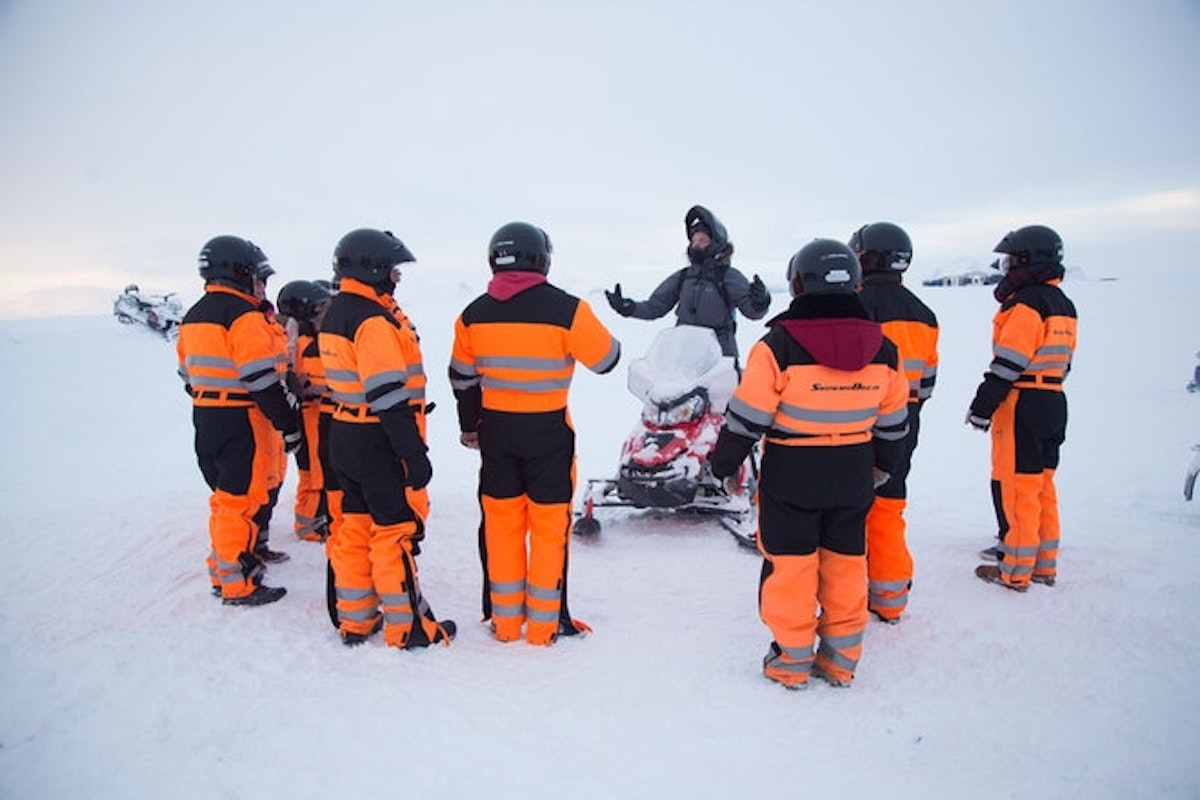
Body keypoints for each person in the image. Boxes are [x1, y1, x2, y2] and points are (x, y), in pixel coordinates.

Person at [707, 239, 909, 689]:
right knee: (846, 564)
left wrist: (721, 467)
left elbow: (745, 420)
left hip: (794, 472)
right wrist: (882, 468)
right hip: (855, 469)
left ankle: (791, 661)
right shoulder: (885, 349)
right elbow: (895, 425)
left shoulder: (778, 346)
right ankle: (840, 660)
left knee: (792, 567)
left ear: (798, 283)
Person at [450, 221, 620, 646]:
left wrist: (470, 427)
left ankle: (505, 625)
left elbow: (462, 380)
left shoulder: (472, 314)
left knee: (501, 526)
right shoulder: (567, 310)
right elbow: (607, 360)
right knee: (548, 529)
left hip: (496, 435)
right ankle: (543, 630)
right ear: (542, 260)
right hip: (548, 436)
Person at [319, 228, 454, 648]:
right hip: (377, 437)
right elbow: (388, 395)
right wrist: (413, 454)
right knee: (394, 530)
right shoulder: (372, 321)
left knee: (355, 529)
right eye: (393, 270)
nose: (397, 278)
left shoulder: (338, 311)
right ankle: (408, 628)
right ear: (372, 268)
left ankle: (356, 620)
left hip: (344, 431)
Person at [176, 235, 304, 607]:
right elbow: (261, 379)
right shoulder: (244, 316)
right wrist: (287, 422)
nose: (263, 287)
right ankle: (236, 582)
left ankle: (232, 565)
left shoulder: (193, 316)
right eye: (260, 278)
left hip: (207, 414)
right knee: (241, 500)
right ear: (240, 275)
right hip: (242, 418)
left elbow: (186, 374)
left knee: (226, 496)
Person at [968, 225, 1077, 591]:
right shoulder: (1063, 304)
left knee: (1018, 487)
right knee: (1043, 485)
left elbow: (1008, 362)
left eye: (1011, 261)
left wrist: (983, 406)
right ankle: (1044, 565)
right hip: (1054, 399)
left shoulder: (1026, 304)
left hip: (1024, 401)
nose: (1006, 267)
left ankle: (1014, 570)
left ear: (1029, 261)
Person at [849, 222, 939, 624]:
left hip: (862, 420)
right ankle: (890, 598)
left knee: (851, 509)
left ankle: (847, 598)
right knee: (890, 506)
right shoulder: (925, 313)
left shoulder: (857, 306)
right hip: (907, 420)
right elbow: (929, 381)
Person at [605, 205, 771, 365]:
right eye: (694, 240)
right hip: (684, 359)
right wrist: (628, 307)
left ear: (716, 244)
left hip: (720, 361)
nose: (697, 244)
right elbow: (655, 306)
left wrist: (760, 301)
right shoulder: (684, 277)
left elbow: (752, 312)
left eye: (703, 240)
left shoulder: (727, 276)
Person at [276, 279, 334, 543]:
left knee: (313, 468)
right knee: (313, 470)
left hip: (307, 412)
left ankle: (314, 517)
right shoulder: (306, 342)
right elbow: (318, 379)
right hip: (311, 413)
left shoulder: (293, 338)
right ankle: (309, 524)